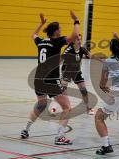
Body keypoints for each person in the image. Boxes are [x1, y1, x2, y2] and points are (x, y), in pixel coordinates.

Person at [20, 11, 80, 145]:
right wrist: (76, 20)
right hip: (51, 80)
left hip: (38, 79)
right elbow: (75, 35)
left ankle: (25, 129)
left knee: (41, 104)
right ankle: (59, 137)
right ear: (56, 32)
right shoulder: (57, 41)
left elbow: (33, 35)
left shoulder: (41, 42)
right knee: (67, 108)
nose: (61, 31)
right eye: (60, 29)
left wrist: (41, 24)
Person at [61, 34, 95, 115]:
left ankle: (88, 108)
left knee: (84, 91)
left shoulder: (82, 49)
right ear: (73, 41)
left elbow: (91, 56)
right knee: (63, 89)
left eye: (80, 39)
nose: (79, 41)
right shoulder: (68, 49)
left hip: (77, 71)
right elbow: (61, 59)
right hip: (67, 71)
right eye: (78, 40)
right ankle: (57, 107)